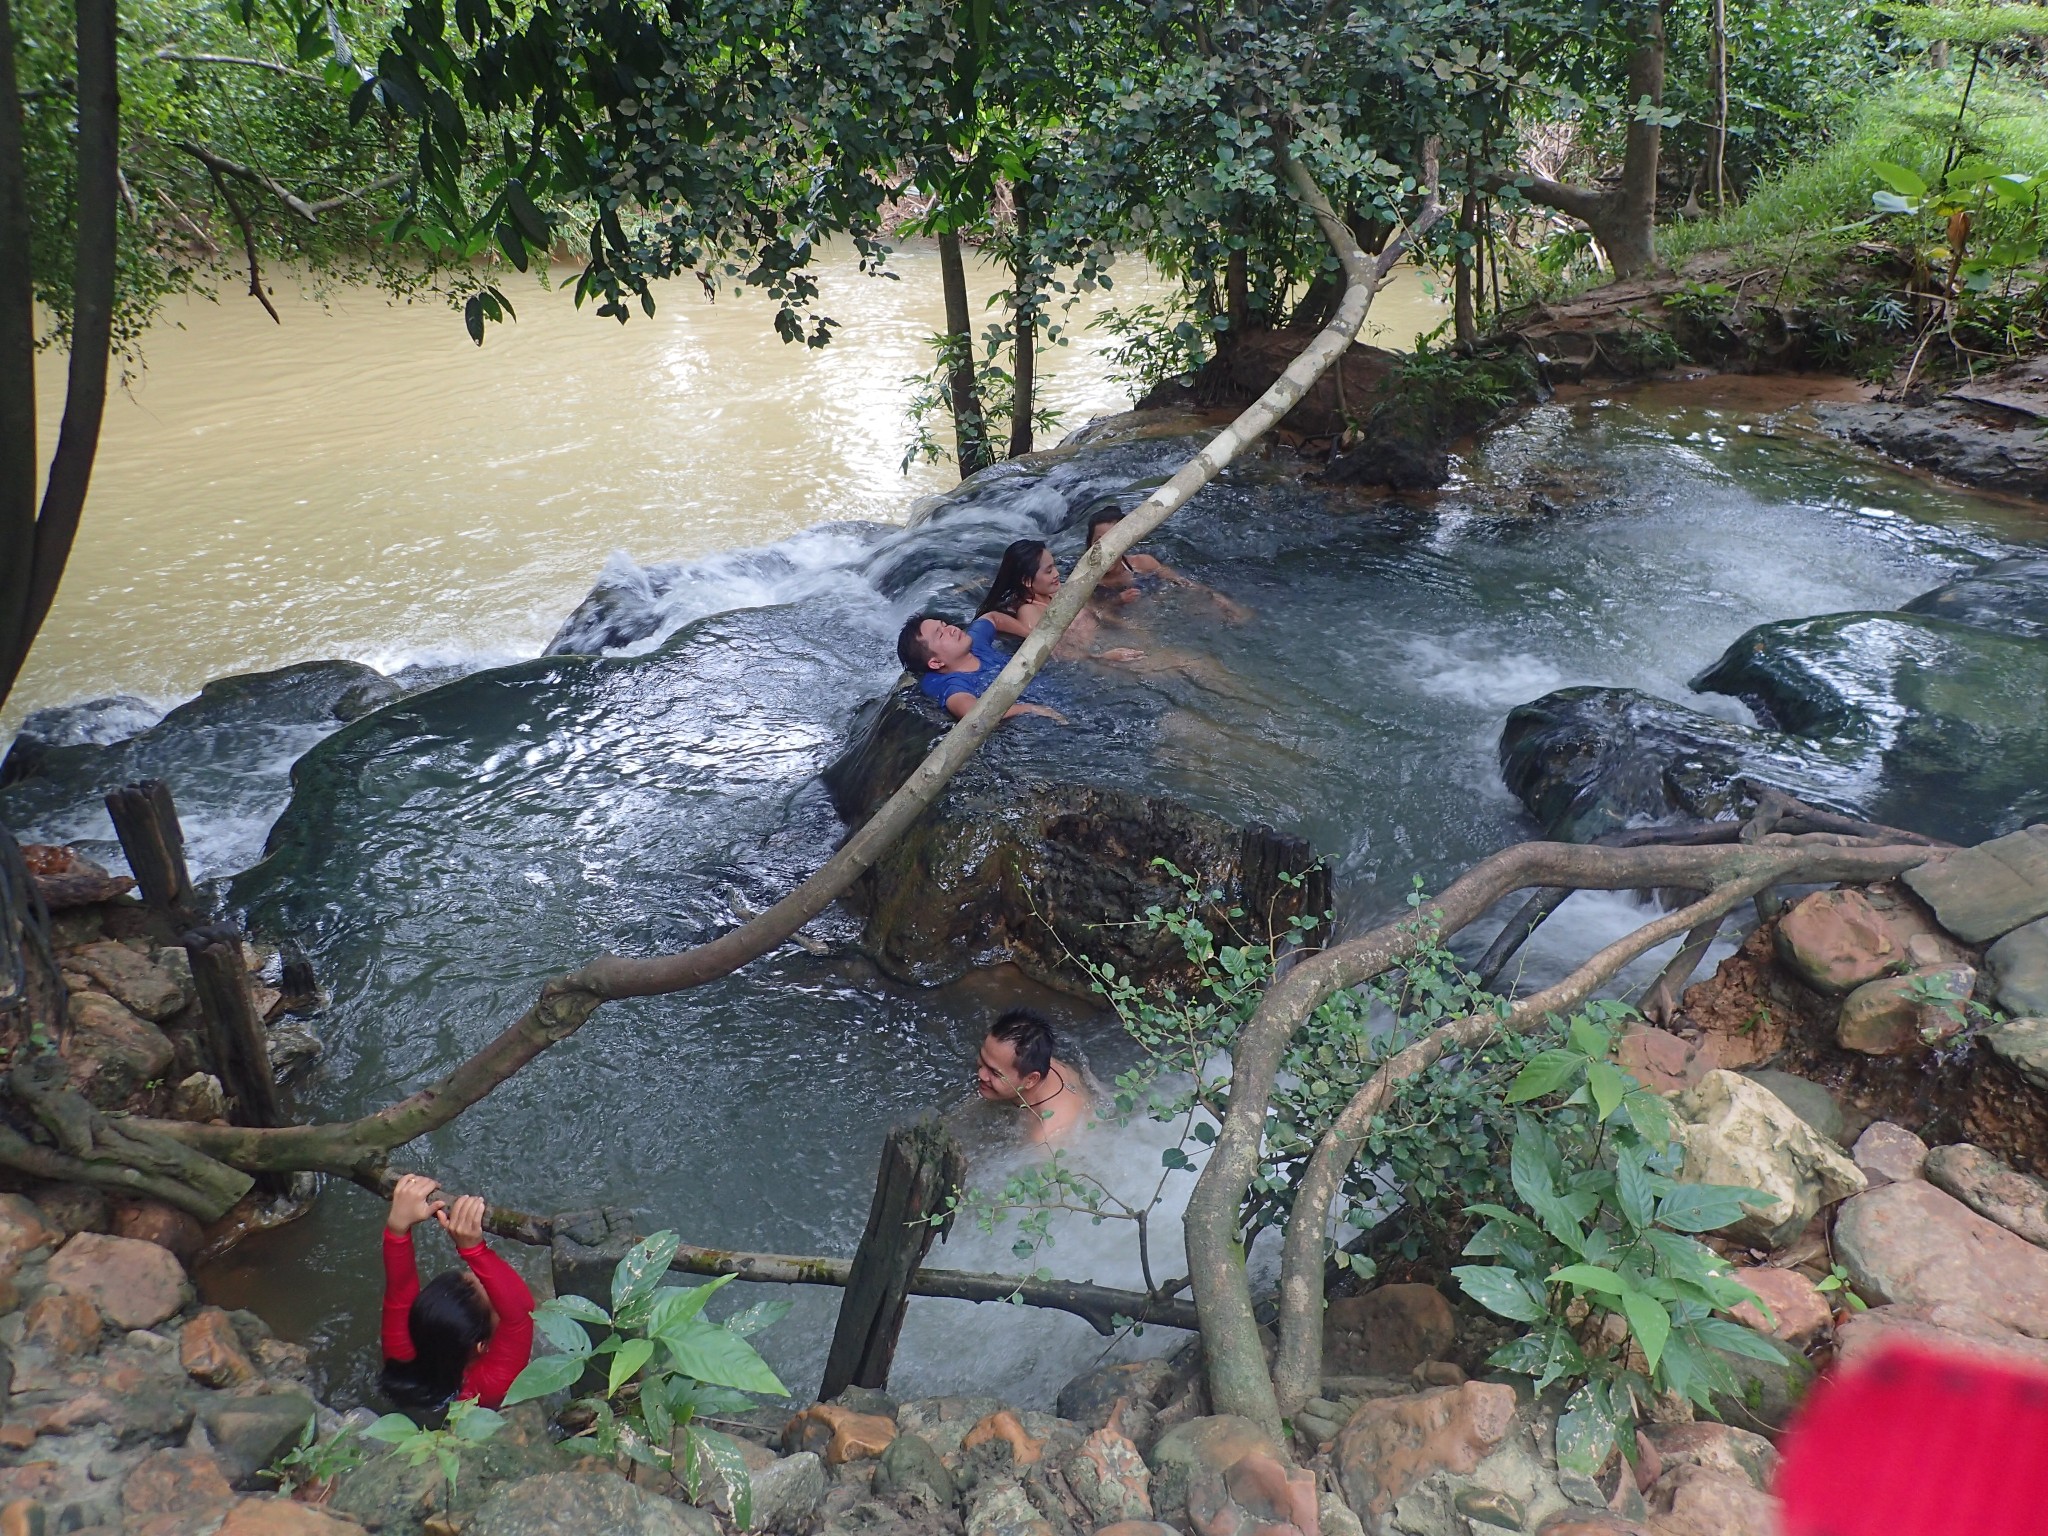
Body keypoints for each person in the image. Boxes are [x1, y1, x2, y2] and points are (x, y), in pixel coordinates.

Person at [380, 1174, 535, 1412]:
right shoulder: (490, 1386)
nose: (476, 1275)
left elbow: (401, 1289)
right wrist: (474, 1250)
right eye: (494, 1301)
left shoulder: (401, 1350)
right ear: (481, 1346)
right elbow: (521, 1313)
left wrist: (398, 1225)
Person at [976, 537, 1144, 663]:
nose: (1056, 573)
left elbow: (1096, 611)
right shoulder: (1029, 612)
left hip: (1110, 643)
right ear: (1027, 581)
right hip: (1098, 661)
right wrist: (1101, 657)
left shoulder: (1058, 592)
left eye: (1054, 566)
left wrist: (1129, 626)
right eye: (1048, 571)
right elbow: (1054, 652)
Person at [897, 613, 1066, 722]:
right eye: (941, 634)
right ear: (936, 663)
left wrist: (1036, 636)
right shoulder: (953, 684)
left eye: (945, 624)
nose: (952, 629)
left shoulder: (975, 644)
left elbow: (992, 618)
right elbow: (974, 714)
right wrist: (1028, 709)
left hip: (1053, 691)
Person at [1086, 514, 1250, 622]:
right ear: (1090, 545)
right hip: (1128, 623)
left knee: (1226, 616)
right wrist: (1118, 601)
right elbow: (1093, 614)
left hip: (1163, 612)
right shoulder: (1085, 583)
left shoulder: (1142, 563)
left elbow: (1182, 582)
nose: (1106, 548)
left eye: (1114, 540)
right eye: (1099, 541)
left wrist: (1221, 600)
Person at [975, 1008, 1087, 1144]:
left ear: (1030, 1080)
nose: (981, 1074)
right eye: (982, 1059)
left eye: (995, 1073)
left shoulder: (1047, 1137)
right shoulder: (1034, 1059)